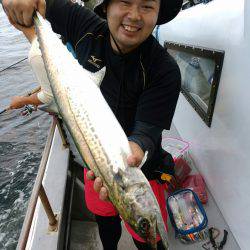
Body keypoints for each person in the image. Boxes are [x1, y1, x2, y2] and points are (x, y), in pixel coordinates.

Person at [2, 0, 183, 249]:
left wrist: (137, 148)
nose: (134, 15)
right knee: (106, 224)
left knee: (149, 241)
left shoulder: (164, 69)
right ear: (107, 6)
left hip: (142, 168)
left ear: (158, 12)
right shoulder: (85, 26)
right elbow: (41, 4)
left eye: (147, 6)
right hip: (94, 171)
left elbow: (147, 132)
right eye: (125, 2)